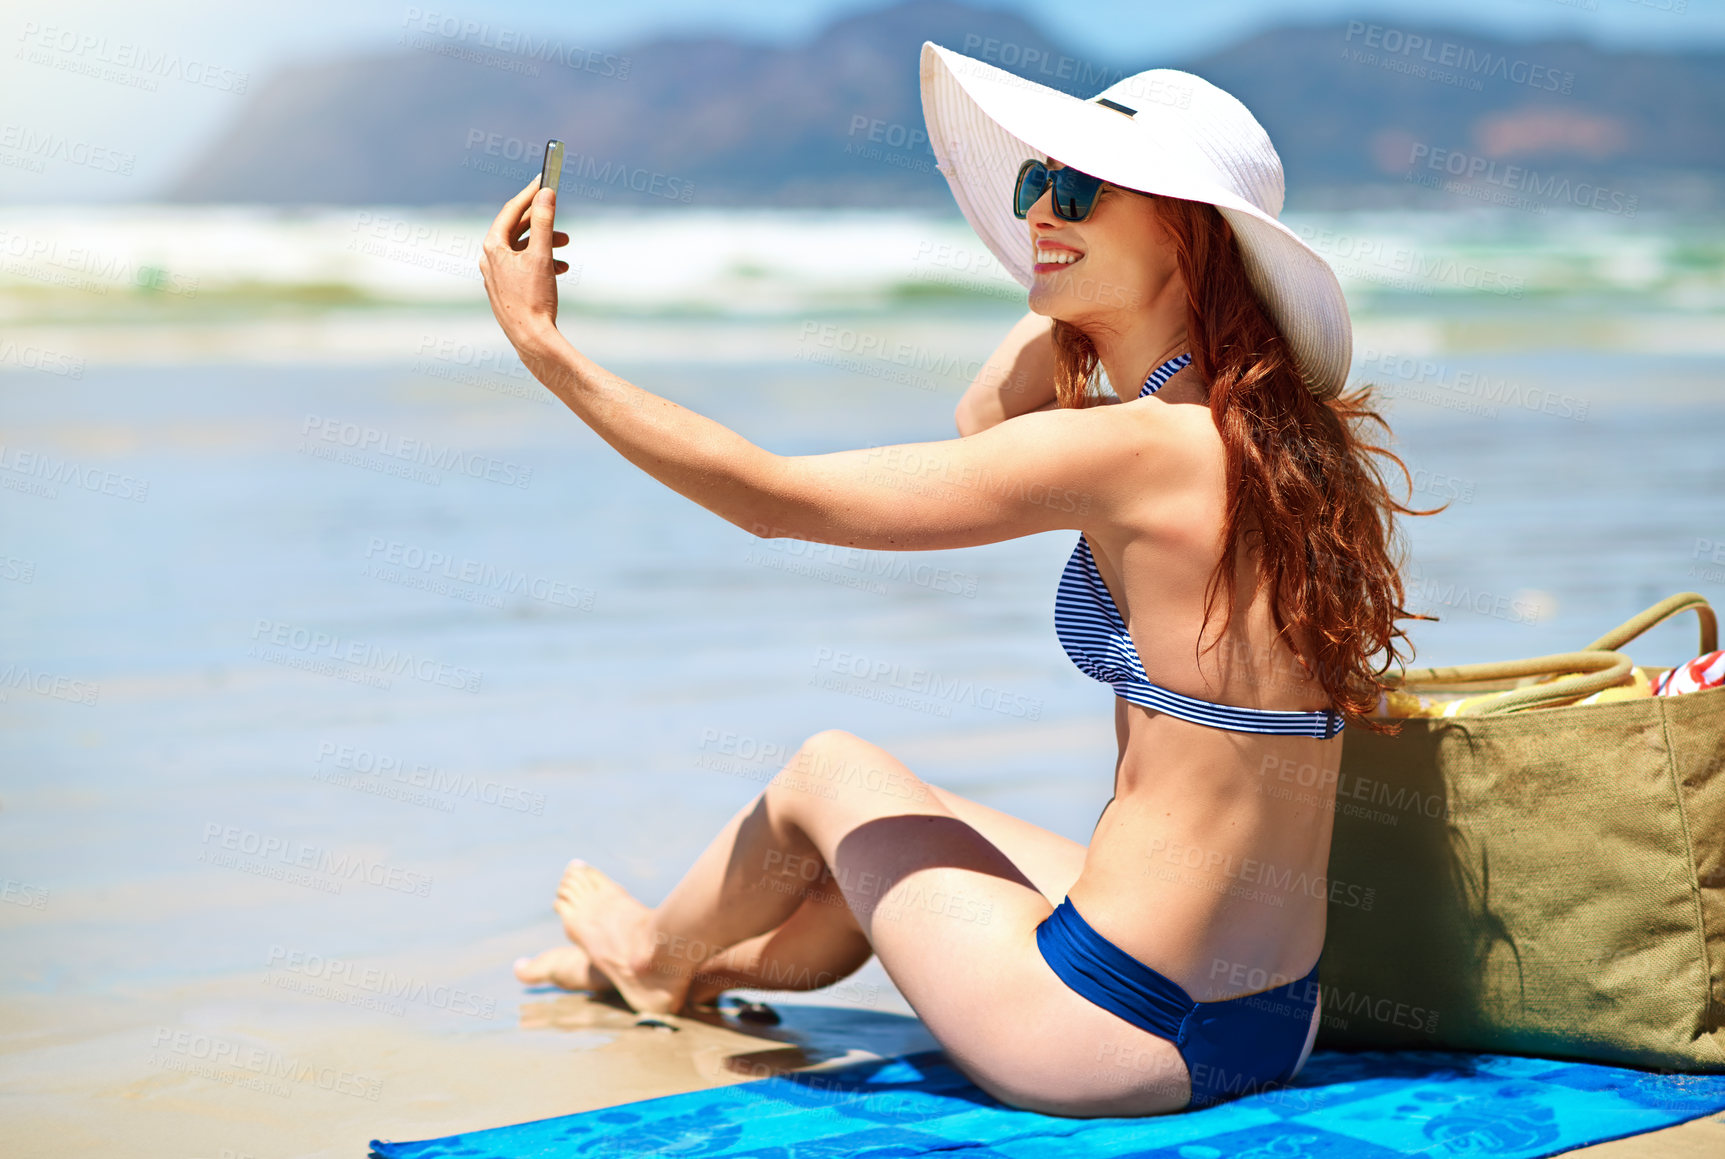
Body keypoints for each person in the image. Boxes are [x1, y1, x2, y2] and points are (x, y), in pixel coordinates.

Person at [479, 41, 1429, 1117]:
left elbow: (769, 498)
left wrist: (539, 342)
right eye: (1034, 185)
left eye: (1077, 189)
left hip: (1113, 1028)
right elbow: (986, 424)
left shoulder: (1135, 447)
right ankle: (707, 966)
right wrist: (1080, 288)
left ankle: (651, 954)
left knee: (827, 774)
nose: (1039, 213)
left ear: (1188, 231)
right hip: (1271, 1018)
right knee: (884, 834)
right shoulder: (1272, 444)